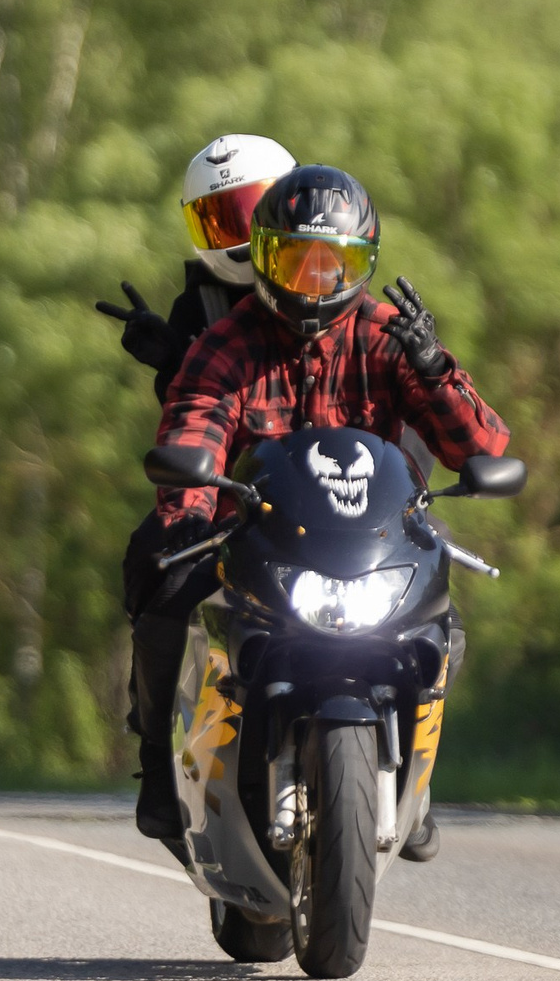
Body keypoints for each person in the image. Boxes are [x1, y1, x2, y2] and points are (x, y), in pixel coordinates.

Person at [125, 165, 509, 845]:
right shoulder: (226, 344)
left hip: (375, 535)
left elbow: (482, 441)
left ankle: (415, 780)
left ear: (362, 265)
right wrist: (186, 506)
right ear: (262, 257)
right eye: (293, 260)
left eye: (332, 264)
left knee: (445, 618)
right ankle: (158, 764)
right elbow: (194, 424)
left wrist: (434, 369)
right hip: (258, 535)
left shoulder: (390, 335)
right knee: (164, 576)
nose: (312, 279)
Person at [96, 134, 298, 401]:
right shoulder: (197, 306)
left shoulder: (324, 281)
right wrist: (173, 364)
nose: (242, 233)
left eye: (253, 214)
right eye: (221, 221)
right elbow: (187, 421)